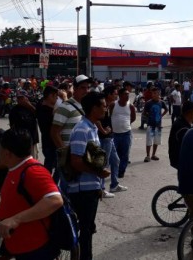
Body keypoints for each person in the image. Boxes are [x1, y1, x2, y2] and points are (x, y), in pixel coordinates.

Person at [0, 129, 63, 259]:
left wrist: (15, 219)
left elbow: (55, 200)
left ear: (7, 153)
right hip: (18, 245)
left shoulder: (33, 171)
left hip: (34, 249)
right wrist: (0, 212)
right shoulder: (15, 168)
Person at [67, 92, 110, 260]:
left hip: (90, 188)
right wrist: (99, 173)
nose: (106, 108)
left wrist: (98, 184)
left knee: (88, 229)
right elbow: (76, 161)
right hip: (81, 191)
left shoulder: (92, 127)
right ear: (94, 108)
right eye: (104, 105)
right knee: (85, 231)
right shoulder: (82, 129)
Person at [96, 87, 125, 198]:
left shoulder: (108, 105)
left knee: (116, 160)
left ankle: (114, 184)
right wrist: (103, 131)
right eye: (114, 94)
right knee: (105, 164)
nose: (116, 96)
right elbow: (97, 119)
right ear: (108, 95)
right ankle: (101, 189)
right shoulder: (102, 105)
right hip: (105, 138)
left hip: (109, 137)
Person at [111, 87, 136, 178]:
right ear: (120, 95)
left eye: (128, 94)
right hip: (115, 134)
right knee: (115, 155)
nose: (127, 96)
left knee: (125, 155)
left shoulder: (130, 106)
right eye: (125, 94)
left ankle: (121, 171)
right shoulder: (113, 105)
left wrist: (126, 124)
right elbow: (109, 116)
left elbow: (133, 118)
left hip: (126, 134)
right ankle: (115, 170)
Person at [168, 100, 193, 169]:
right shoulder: (182, 127)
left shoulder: (182, 121)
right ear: (191, 112)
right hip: (180, 160)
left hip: (178, 158)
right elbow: (191, 146)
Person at [9, 90, 39, 155]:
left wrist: (29, 106)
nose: (20, 100)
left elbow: (39, 116)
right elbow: (12, 126)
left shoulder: (33, 106)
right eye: (18, 98)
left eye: (22, 98)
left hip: (32, 138)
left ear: (26, 98)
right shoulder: (14, 110)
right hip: (20, 140)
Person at [36, 86, 59, 173]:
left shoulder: (40, 104)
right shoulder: (46, 111)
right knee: (53, 167)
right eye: (56, 96)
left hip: (47, 143)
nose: (57, 98)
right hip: (51, 143)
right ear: (50, 96)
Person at [142, 87, 168, 162]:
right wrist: (149, 116)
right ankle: (147, 155)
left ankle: (153, 155)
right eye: (153, 93)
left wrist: (161, 116)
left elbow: (166, 110)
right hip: (150, 125)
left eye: (155, 93)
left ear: (158, 93)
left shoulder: (161, 102)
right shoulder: (149, 103)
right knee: (149, 141)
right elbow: (144, 112)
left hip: (158, 125)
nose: (154, 95)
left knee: (156, 141)